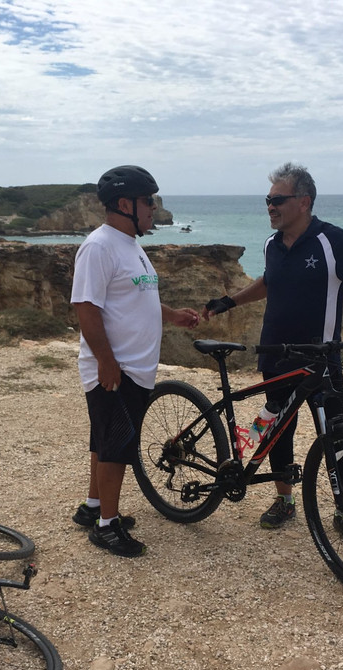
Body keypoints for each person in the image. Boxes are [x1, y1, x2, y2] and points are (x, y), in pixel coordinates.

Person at [201, 162, 343, 539]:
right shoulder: (272, 244)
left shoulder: (333, 241)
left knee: (338, 432)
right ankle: (284, 499)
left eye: (278, 199)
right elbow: (268, 282)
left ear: (304, 201)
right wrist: (230, 301)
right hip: (276, 354)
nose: (270, 206)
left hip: (322, 358)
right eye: (268, 200)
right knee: (277, 427)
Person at [70, 165, 200, 557]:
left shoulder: (130, 244)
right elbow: (86, 307)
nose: (153, 209)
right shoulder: (99, 246)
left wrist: (172, 313)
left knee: (104, 439)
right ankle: (107, 527)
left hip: (133, 368)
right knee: (117, 447)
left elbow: (135, 297)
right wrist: (106, 361)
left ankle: (93, 508)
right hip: (117, 369)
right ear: (125, 204)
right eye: (149, 201)